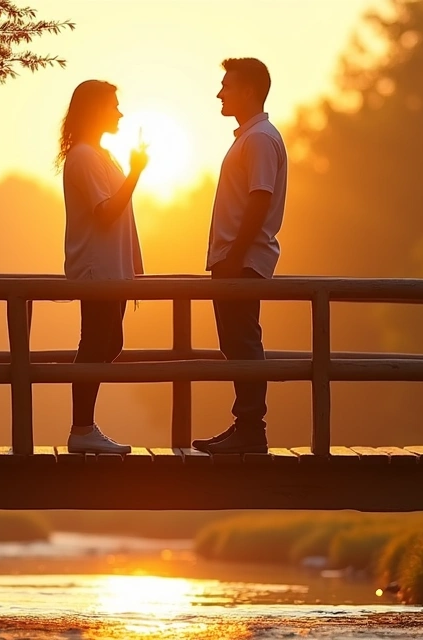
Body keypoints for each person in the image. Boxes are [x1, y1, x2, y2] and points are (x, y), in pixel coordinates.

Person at [193, 58, 289, 455]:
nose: (220, 93)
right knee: (236, 343)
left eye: (227, 86)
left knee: (243, 342)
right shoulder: (251, 137)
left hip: (242, 261)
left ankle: (251, 430)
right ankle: (245, 426)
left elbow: (260, 198)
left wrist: (234, 255)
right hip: (236, 259)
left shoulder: (259, 139)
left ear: (249, 91)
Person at [57, 80, 148, 454]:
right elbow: (106, 212)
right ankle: (82, 429)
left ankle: (84, 427)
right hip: (98, 270)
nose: (119, 113)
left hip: (114, 271)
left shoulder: (100, 154)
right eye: (113, 106)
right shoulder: (84, 157)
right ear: (95, 110)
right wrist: (136, 173)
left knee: (109, 343)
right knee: (95, 344)